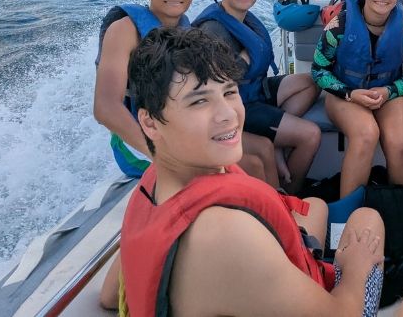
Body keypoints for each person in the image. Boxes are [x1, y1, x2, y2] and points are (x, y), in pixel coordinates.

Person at [119, 27, 387, 317]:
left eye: (229, 92)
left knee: (315, 206)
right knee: (368, 221)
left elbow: (114, 294)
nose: (229, 114)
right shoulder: (225, 234)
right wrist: (356, 269)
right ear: (150, 123)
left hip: (252, 277)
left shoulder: (151, 188)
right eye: (199, 101)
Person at [92, 0, 278, 309]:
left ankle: (261, 240)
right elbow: (105, 107)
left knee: (256, 157)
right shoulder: (124, 29)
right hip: (141, 141)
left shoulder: (184, 32)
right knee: (249, 166)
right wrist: (160, 154)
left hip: (180, 135)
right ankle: (248, 250)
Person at [194, 0, 322, 193]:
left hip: (256, 89)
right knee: (310, 135)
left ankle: (278, 141)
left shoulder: (244, 19)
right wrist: (243, 59)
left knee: (310, 82)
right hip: (239, 105)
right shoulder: (213, 30)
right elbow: (218, 84)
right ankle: (289, 196)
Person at [312, 0, 403, 197]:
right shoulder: (338, 26)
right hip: (345, 94)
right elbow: (319, 70)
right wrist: (350, 93)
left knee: (400, 143)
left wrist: (389, 91)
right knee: (366, 134)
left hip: (388, 92)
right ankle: (348, 212)